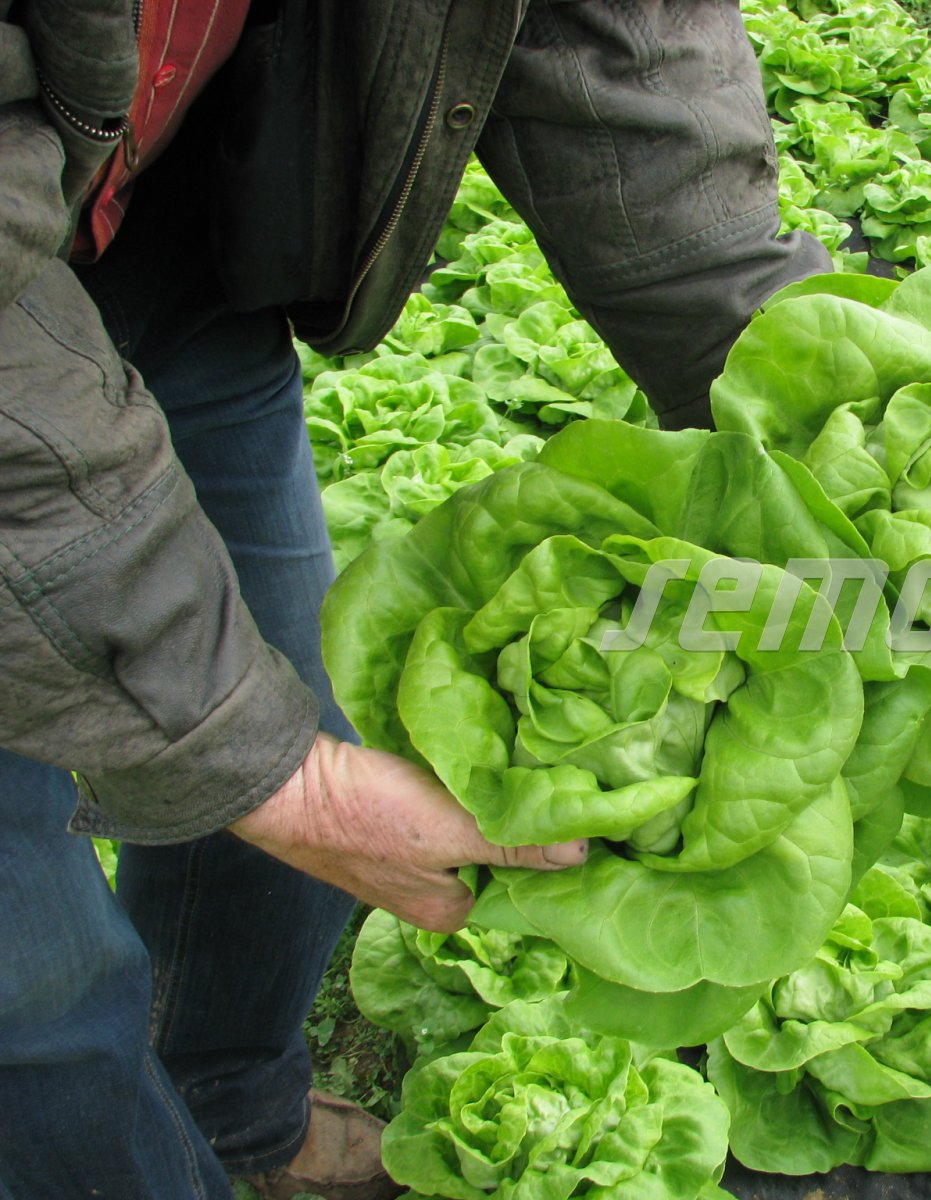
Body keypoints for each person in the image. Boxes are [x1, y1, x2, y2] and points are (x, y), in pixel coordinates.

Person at [0, 1, 830, 1197]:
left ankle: (234, 1112)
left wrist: (823, 421)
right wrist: (288, 783)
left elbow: (613, 48)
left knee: (291, 702)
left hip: (165, 240)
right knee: (36, 985)